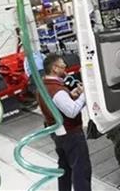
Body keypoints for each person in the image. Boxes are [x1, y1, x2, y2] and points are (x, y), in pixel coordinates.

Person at [37, 53, 91, 191]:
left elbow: (56, 104)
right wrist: (85, 94)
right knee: (81, 170)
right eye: (62, 65)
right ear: (55, 68)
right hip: (71, 135)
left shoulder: (44, 86)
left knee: (65, 168)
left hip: (58, 134)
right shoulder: (56, 90)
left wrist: (71, 95)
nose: (65, 66)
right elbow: (72, 112)